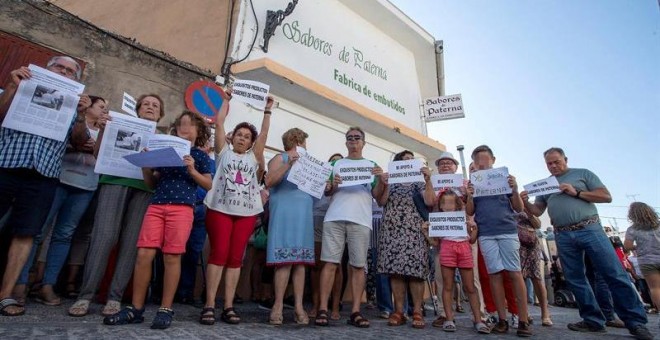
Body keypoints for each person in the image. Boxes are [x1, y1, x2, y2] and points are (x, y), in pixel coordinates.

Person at [522, 147, 652, 340]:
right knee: (575, 278)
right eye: (549, 163)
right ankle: (592, 320)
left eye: (556, 161)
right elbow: (538, 210)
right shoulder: (546, 185)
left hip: (590, 229)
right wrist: (524, 202)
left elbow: (606, 196)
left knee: (613, 273)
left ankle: (635, 322)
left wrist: (576, 192)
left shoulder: (582, 174)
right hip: (563, 234)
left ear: (565, 159)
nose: (553, 166)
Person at [103, 110, 212, 329]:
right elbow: (151, 184)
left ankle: (165, 308)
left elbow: (208, 185)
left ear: (198, 131)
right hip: (157, 206)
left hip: (182, 209)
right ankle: (136, 308)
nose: (185, 128)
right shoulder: (165, 152)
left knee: (172, 256)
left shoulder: (200, 156)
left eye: (190, 125)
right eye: (181, 124)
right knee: (144, 254)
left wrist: (191, 169)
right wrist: (146, 167)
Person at [0, 56, 91, 316]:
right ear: (46, 69)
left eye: (71, 71)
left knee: (26, 234)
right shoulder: (19, 85)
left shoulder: (74, 105)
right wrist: (11, 87)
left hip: (44, 173)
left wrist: (82, 115)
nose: (64, 72)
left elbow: (78, 140)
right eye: (59, 67)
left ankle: (5, 295)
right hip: (6, 163)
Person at [68, 94, 165, 317]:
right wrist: (103, 130)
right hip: (114, 181)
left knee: (132, 242)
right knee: (104, 237)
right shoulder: (116, 124)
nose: (150, 107)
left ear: (160, 114)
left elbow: (161, 172)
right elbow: (97, 152)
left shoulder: (161, 138)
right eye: (146, 104)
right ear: (138, 110)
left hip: (144, 189)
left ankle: (115, 297)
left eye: (155, 105)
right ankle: (86, 295)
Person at [21, 96, 108, 306]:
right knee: (38, 231)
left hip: (85, 187)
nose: (105, 111)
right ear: (88, 107)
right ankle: (22, 281)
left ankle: (48, 284)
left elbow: (102, 154)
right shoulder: (70, 120)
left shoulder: (104, 130)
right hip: (58, 180)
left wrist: (99, 137)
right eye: (101, 107)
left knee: (64, 234)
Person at [202, 91, 272, 325]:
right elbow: (219, 122)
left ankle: (228, 306)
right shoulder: (223, 153)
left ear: (251, 143)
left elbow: (264, 134)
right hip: (220, 210)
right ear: (233, 139)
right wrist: (227, 100)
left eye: (246, 137)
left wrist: (267, 110)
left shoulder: (254, 158)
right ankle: (210, 304)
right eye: (239, 135)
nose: (242, 138)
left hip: (246, 214)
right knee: (218, 254)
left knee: (235, 259)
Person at [314, 126, 387, 328]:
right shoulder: (336, 164)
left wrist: (382, 181)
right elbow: (328, 192)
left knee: (358, 266)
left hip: (361, 220)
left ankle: (355, 311)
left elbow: (379, 198)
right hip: (334, 217)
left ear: (364, 142)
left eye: (357, 138)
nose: (353, 140)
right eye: (350, 138)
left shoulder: (371, 165)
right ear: (346, 142)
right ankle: (323, 309)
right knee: (330, 263)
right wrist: (334, 185)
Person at [466, 145, 531, 337]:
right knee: (494, 274)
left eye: (485, 159)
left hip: (507, 231)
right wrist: (469, 195)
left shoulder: (504, 180)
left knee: (514, 273)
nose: (482, 163)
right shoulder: (474, 183)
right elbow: (470, 211)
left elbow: (518, 208)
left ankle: (523, 320)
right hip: (486, 233)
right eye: (478, 160)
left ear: (493, 160)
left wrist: (515, 188)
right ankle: (502, 319)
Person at [375, 150, 434, 328]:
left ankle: (416, 310)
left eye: (411, 159)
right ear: (398, 163)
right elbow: (381, 202)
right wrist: (383, 183)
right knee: (396, 271)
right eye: (405, 159)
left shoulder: (419, 182)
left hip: (415, 229)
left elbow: (430, 202)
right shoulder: (391, 180)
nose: (409, 162)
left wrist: (428, 180)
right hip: (392, 229)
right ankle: (398, 311)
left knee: (416, 272)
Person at [263, 128, 315, 325]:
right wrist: (289, 164)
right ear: (297, 142)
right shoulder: (280, 157)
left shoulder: (309, 162)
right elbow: (269, 181)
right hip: (285, 211)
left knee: (300, 261)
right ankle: (277, 305)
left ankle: (299, 306)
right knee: (284, 259)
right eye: (304, 142)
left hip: (303, 212)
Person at [431, 153, 486, 327]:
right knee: (441, 278)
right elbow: (430, 203)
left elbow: (473, 205)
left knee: (472, 279)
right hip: (442, 236)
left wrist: (466, 194)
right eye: (442, 163)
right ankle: (444, 313)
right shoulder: (433, 184)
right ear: (438, 168)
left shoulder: (465, 183)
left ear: (455, 167)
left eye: (449, 163)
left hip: (465, 235)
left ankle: (481, 315)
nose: (445, 165)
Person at [310, 153, 346, 321]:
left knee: (336, 266)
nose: (335, 163)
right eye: (332, 160)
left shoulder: (347, 176)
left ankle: (335, 306)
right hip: (318, 217)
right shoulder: (320, 175)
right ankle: (317, 304)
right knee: (317, 265)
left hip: (338, 218)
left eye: (338, 161)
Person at [624, 202, 660, 325]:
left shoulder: (632, 229)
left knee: (655, 288)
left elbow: (627, 247)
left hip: (647, 261)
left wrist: (638, 246)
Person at [516, 208, 552, 326]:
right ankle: (524, 312)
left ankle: (545, 313)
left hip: (532, 246)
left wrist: (528, 211)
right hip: (516, 246)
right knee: (519, 278)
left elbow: (538, 224)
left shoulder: (522, 205)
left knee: (536, 278)